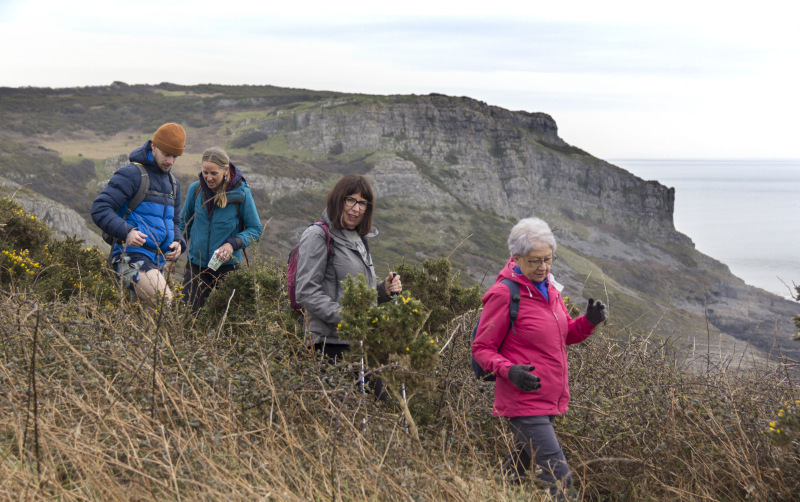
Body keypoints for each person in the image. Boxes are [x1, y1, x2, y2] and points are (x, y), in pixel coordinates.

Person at [472, 217, 606, 497]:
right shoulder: (504, 293)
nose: (543, 267)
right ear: (516, 258)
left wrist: (588, 321)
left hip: (548, 398)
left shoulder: (549, 289)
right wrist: (510, 372)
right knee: (559, 478)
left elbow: (564, 334)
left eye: (548, 259)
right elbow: (481, 349)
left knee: (516, 473)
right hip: (523, 401)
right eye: (534, 261)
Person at [294, 174, 402, 363]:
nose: (356, 208)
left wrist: (382, 290)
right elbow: (306, 292)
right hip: (329, 346)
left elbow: (355, 296)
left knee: (379, 393)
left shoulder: (359, 239)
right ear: (338, 200)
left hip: (360, 343)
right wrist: (348, 317)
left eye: (362, 203)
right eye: (350, 200)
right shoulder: (318, 235)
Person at [91, 123, 187, 308]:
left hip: (158, 263)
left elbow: (175, 222)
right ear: (153, 146)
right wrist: (127, 231)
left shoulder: (173, 184)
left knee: (144, 325)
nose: (171, 161)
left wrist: (178, 242)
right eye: (166, 154)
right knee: (165, 301)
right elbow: (100, 208)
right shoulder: (132, 174)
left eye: (175, 156)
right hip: (130, 258)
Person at [179, 146, 263, 313]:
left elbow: (255, 229)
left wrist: (232, 244)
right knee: (188, 318)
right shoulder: (195, 190)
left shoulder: (242, 194)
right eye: (205, 172)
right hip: (196, 267)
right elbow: (184, 226)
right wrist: (173, 255)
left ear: (225, 171)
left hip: (228, 269)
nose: (208, 178)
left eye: (213, 173)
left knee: (227, 322)